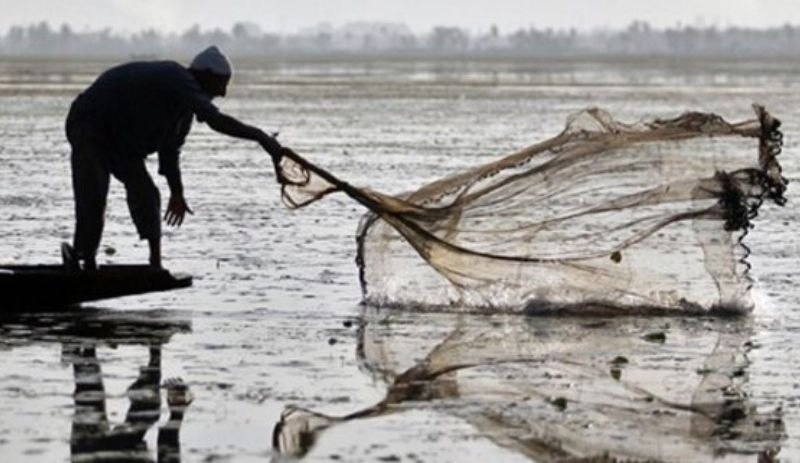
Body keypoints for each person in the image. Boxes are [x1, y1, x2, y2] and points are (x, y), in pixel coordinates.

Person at [62, 45, 282, 271]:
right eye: (221, 84)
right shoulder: (176, 77)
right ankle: (84, 260)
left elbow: (170, 153)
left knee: (147, 193)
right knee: (94, 192)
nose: (223, 93)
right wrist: (260, 137)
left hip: (123, 140)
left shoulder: (183, 114)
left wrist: (177, 192)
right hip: (89, 124)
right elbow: (215, 119)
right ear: (203, 76)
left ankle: (155, 264)